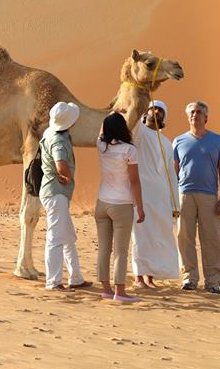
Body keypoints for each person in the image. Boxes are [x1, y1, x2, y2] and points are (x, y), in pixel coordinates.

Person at [173, 100, 220, 294]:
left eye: (198, 112)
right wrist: (174, 197)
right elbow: (174, 170)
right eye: (191, 112)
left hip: (209, 196)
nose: (194, 115)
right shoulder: (178, 141)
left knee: (212, 239)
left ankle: (213, 280)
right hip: (185, 195)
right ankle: (189, 277)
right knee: (185, 238)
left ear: (206, 117)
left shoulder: (217, 140)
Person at [40, 102, 91, 291]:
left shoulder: (49, 133)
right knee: (55, 237)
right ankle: (52, 282)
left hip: (54, 192)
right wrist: (66, 175)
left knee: (68, 236)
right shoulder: (59, 141)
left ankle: (75, 277)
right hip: (56, 192)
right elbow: (60, 162)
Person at [95, 112, 145, 302]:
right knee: (121, 250)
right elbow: (134, 181)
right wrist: (140, 207)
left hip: (102, 202)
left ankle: (106, 289)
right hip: (121, 203)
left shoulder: (101, 146)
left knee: (104, 248)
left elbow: (100, 133)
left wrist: (108, 117)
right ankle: (120, 291)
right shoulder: (129, 150)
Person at [131, 100, 180, 289]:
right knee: (140, 235)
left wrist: (174, 204)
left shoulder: (167, 143)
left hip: (160, 197)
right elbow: (132, 120)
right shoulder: (139, 133)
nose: (157, 111)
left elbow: (171, 175)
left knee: (157, 236)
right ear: (145, 113)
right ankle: (138, 276)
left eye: (161, 110)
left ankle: (150, 277)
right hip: (140, 193)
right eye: (153, 108)